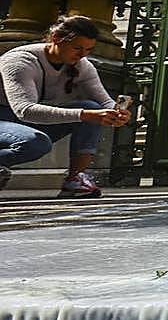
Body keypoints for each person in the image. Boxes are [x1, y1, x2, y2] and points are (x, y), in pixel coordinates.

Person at [0, 16, 130, 196]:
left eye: (88, 50)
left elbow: (104, 102)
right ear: (55, 39)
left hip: (22, 119)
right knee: (35, 142)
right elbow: (25, 110)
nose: (82, 55)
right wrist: (85, 114)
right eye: (76, 48)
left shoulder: (83, 66)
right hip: (7, 117)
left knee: (91, 106)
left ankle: (75, 179)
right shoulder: (20, 61)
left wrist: (118, 113)